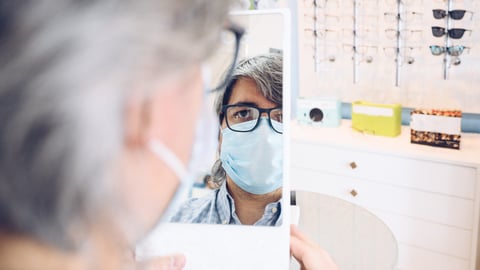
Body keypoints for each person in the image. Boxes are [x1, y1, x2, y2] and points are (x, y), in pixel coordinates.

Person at [0, 1, 338, 269]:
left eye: (279, 116)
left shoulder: (322, 233)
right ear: (142, 106)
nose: (264, 130)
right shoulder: (173, 226)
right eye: (244, 114)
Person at [171, 53, 283, 226]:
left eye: (281, 117)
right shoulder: (178, 224)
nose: (264, 134)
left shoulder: (316, 232)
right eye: (244, 113)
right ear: (218, 132)